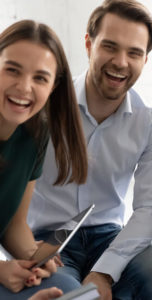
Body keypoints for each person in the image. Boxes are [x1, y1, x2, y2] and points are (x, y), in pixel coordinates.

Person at [27, 1, 152, 299]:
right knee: (72, 295)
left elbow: (151, 209)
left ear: (145, 59)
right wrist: (24, 250)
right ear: (89, 44)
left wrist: (105, 270)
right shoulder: (44, 108)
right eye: (110, 46)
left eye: (134, 52)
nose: (121, 62)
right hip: (49, 239)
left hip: (112, 235)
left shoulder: (150, 121)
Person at [0, 20, 88, 298]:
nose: (24, 87)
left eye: (40, 77)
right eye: (12, 70)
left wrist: (36, 258)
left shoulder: (35, 136)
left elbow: (14, 224)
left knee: (70, 291)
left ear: (54, 85)